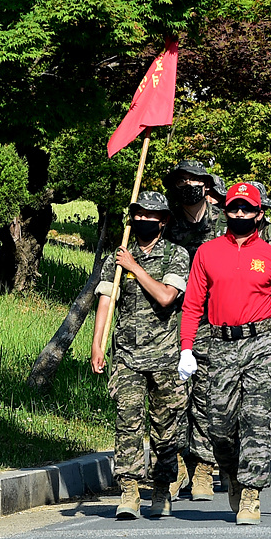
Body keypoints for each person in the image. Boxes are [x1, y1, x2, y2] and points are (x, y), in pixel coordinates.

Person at [179, 181, 271, 525]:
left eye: (247, 209)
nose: (240, 214)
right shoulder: (207, 253)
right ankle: (231, 474)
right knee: (220, 425)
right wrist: (186, 348)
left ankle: (251, 494)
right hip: (220, 344)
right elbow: (193, 304)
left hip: (261, 345)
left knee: (256, 420)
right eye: (234, 208)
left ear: (259, 214)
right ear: (225, 211)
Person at [89, 191, 191, 520]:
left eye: (150, 215)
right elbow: (106, 300)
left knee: (165, 427)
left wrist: (135, 268)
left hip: (165, 356)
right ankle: (129, 490)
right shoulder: (118, 258)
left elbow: (165, 297)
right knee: (127, 422)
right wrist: (98, 343)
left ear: (162, 221)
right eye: (139, 214)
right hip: (127, 356)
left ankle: (162, 488)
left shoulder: (176, 255)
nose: (143, 220)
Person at [163, 159, 226, 501]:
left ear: (206, 185)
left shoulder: (226, 223)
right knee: (173, 397)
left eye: (194, 180)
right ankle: (176, 467)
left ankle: (203, 468)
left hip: (212, 322)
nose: (188, 185)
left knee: (206, 397)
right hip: (170, 321)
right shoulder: (166, 223)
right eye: (181, 180)